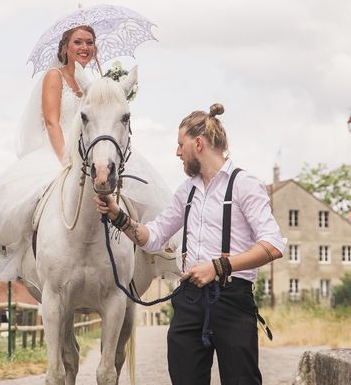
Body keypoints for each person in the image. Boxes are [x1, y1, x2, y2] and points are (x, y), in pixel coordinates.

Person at [95, 104, 287, 385]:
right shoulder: (186, 191)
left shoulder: (244, 184)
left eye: (180, 144)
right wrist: (118, 216)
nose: (177, 152)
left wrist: (219, 266)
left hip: (232, 300)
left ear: (198, 143)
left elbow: (273, 244)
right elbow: (154, 237)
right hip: (189, 301)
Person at [0, 25, 172, 280]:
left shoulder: (96, 82)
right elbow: (51, 122)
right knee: (31, 202)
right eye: (78, 42)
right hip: (61, 149)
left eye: (90, 43)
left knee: (139, 190)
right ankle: (27, 253)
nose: (84, 48)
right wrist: (66, 159)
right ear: (65, 47)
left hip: (97, 147)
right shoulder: (54, 76)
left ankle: (149, 256)